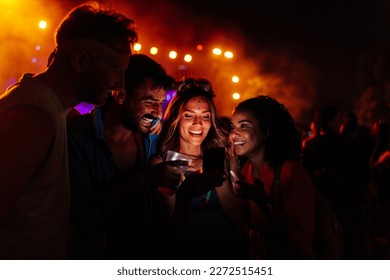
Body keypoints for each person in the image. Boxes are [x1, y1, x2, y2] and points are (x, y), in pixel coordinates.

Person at [0, 2, 137, 259]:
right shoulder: (32, 120)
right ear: (80, 60)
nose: (120, 84)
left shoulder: (52, 111)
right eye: (116, 70)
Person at [66, 54, 180, 259]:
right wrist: (144, 179)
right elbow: (82, 212)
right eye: (150, 102)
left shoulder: (153, 137)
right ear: (120, 95)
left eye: (161, 103)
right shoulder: (77, 136)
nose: (158, 113)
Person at [150, 78, 249, 259]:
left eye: (205, 116)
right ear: (176, 119)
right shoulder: (162, 164)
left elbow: (239, 218)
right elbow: (171, 228)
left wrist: (227, 168)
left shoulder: (218, 159)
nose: (198, 124)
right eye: (189, 115)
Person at [229, 95, 315, 259]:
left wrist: (262, 201)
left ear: (266, 131)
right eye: (232, 128)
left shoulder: (291, 172)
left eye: (244, 126)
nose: (234, 135)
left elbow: (298, 236)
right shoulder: (246, 171)